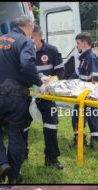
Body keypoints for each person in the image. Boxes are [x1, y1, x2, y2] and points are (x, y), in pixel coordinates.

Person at [0, 15, 47, 184]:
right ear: (29, 27)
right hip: (17, 97)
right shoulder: (25, 41)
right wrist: (39, 82)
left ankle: (2, 164)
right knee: (16, 135)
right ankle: (14, 175)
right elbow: (26, 65)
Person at [23, 23, 64, 170]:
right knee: (23, 126)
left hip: (46, 95)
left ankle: (51, 159)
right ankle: (22, 154)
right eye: (28, 38)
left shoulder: (52, 51)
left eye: (32, 38)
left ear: (40, 37)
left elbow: (60, 72)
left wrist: (50, 82)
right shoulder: (25, 52)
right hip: (28, 96)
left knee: (51, 125)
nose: (30, 42)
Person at [69, 32, 98, 148]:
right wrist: (64, 83)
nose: (76, 46)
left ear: (84, 43)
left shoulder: (91, 58)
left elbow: (95, 78)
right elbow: (76, 74)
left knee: (93, 120)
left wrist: (92, 94)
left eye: (78, 43)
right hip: (82, 95)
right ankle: (79, 141)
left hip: (90, 95)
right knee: (77, 118)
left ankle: (96, 144)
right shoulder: (84, 58)